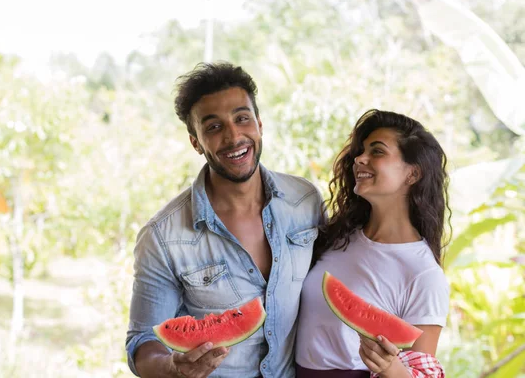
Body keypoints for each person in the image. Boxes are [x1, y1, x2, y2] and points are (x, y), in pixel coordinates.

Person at [126, 62, 324, 378]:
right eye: (214, 127)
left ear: (259, 124)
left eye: (242, 119)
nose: (234, 137)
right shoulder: (162, 236)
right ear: (196, 142)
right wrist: (171, 367)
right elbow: (144, 341)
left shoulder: (305, 200)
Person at [296, 109, 450, 378]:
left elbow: (424, 372)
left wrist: (392, 368)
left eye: (377, 151)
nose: (360, 159)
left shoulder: (424, 274)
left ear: (412, 174)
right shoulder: (337, 236)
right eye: (362, 150)